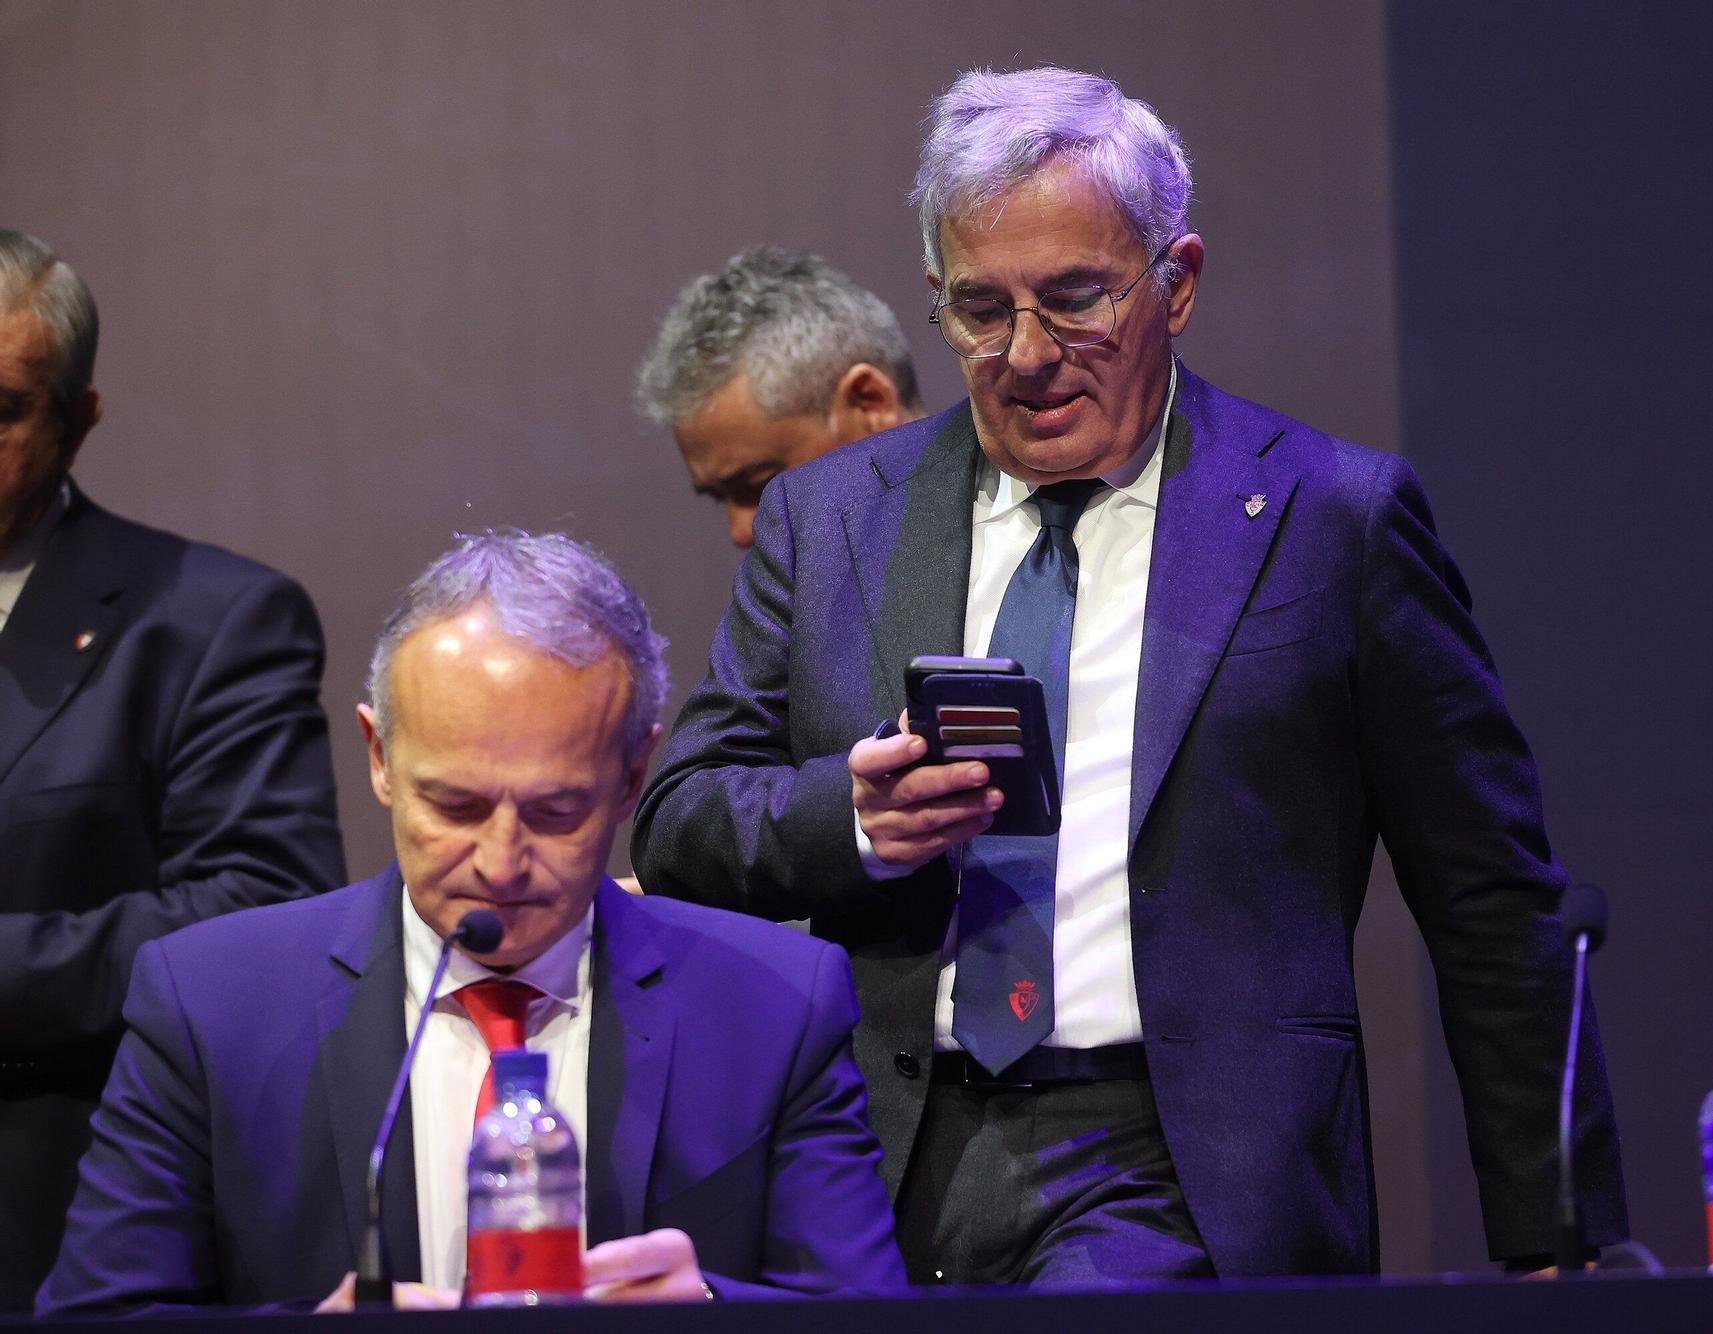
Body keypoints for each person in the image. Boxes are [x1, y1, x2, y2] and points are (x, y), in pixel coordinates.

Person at [633, 68, 1627, 1284]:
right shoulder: (830, 517)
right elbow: (679, 817)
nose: (1026, 355)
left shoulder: (1330, 519)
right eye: (979, 310)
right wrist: (851, 816)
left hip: (1176, 1159)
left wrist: (1552, 1239)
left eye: (1074, 299)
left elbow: (1487, 900)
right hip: (875, 1153)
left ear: (1177, 282)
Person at [37, 532, 903, 1315]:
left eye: (558, 811)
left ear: (635, 773)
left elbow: (870, 1317)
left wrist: (710, 1306)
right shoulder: (209, 1004)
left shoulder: (775, 1005)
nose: (501, 861)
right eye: (454, 805)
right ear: (379, 757)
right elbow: (96, 1320)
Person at [0, 228, 346, 1310]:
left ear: (77, 422)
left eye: (1, 410)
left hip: (52, 1223)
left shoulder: (211, 620)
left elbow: (259, 909)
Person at [636, 246, 924, 550]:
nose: (740, 533)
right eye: (720, 497)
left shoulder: (977, 581)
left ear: (869, 403)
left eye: (761, 486)